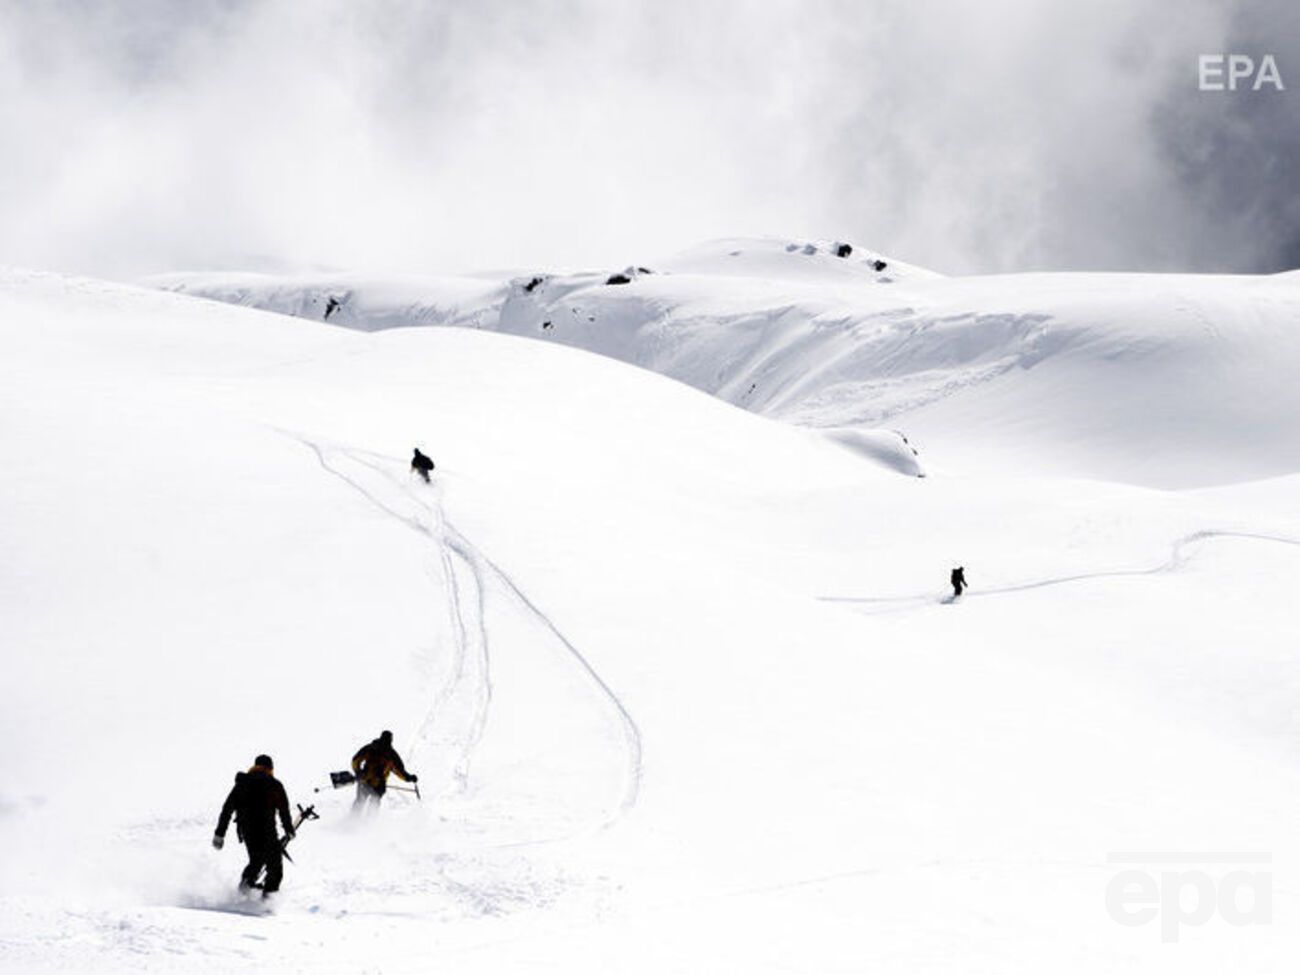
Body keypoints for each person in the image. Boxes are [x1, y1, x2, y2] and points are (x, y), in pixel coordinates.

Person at [213, 754, 294, 897]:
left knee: (256, 860)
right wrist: (288, 829)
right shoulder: (274, 784)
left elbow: (227, 809)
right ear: (270, 768)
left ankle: (242, 892)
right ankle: (268, 900)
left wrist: (219, 834)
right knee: (274, 865)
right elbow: (283, 810)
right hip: (267, 829)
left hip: (247, 830)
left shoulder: (242, 783)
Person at [351, 730, 418, 811]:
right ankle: (368, 819)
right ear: (391, 740)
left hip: (366, 781)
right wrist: (409, 778)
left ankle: (354, 818)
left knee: (360, 803)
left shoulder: (371, 748)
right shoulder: (391, 755)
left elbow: (355, 760)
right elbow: (400, 772)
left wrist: (358, 772)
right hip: (377, 784)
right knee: (372, 806)